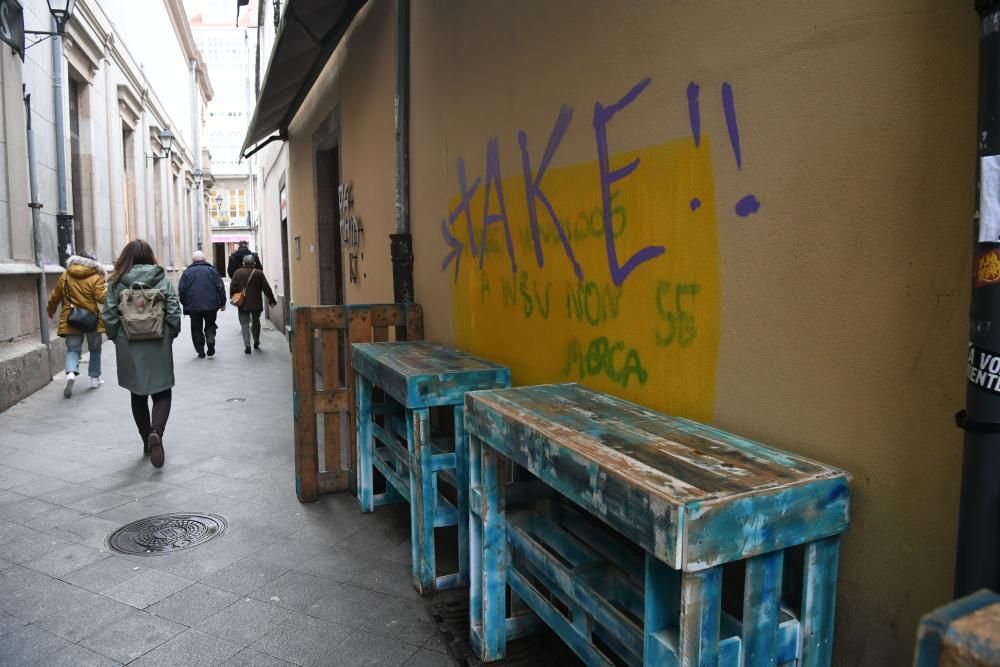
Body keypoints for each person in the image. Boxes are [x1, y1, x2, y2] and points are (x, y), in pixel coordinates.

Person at [103, 239, 181, 468]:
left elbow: (108, 316)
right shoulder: (161, 279)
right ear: (149, 256)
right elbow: (174, 311)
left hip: (129, 344)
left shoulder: (117, 283)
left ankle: (147, 442)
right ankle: (157, 431)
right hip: (158, 341)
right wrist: (170, 334)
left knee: (137, 394)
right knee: (162, 390)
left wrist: (117, 337)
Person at [46, 251, 107, 398]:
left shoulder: (66, 275)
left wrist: (51, 309)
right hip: (91, 319)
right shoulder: (96, 276)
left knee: (73, 349)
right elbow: (101, 298)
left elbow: (55, 295)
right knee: (95, 349)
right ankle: (94, 378)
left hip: (71, 318)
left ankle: (71, 373)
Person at [178, 250, 226, 358]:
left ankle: (200, 351)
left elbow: (182, 289)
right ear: (204, 260)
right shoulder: (212, 270)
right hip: (211, 305)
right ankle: (210, 339)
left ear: (193, 261)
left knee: (196, 328)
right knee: (210, 324)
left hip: (193, 307)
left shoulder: (187, 272)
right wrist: (222, 302)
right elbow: (220, 287)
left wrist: (184, 302)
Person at [230, 253, 276, 355]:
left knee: (244, 324)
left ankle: (247, 345)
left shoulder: (237, 273)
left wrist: (234, 298)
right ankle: (256, 341)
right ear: (254, 263)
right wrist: (271, 300)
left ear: (243, 263)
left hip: (242, 304)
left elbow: (233, 287)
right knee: (256, 322)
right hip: (256, 303)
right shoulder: (259, 273)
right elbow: (266, 288)